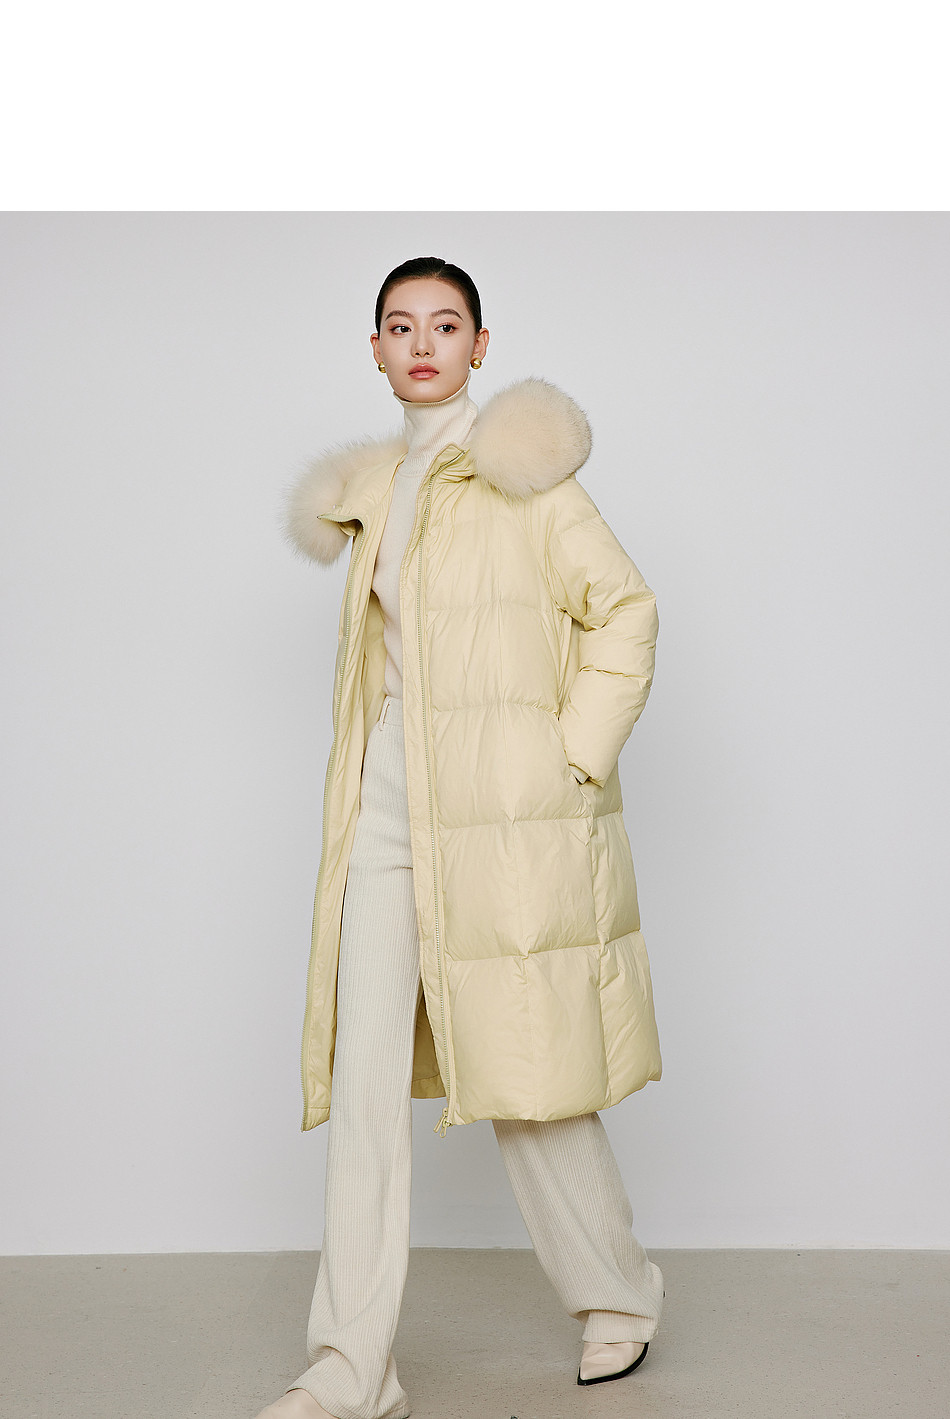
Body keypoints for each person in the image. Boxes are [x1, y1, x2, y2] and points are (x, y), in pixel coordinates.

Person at [255, 257, 664, 1419]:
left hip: (501, 815)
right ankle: (350, 1370)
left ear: (479, 346)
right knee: (366, 1084)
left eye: (445, 325)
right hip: (385, 809)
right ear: (375, 349)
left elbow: (624, 609)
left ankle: (618, 1295)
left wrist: (569, 755)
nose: (422, 343)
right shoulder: (374, 491)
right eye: (401, 326)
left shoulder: (523, 473)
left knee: (527, 1074)